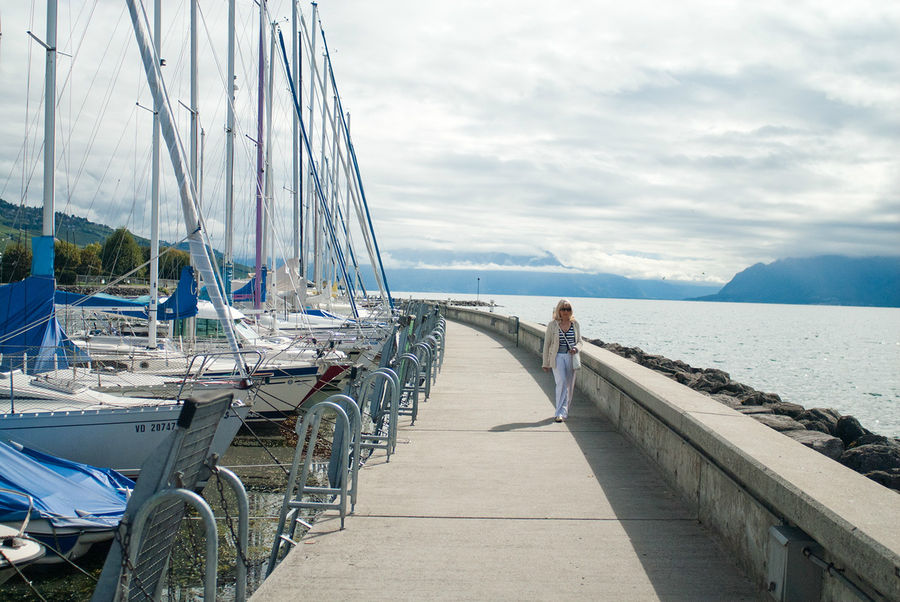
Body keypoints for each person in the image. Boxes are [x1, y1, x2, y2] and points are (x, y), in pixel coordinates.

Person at [542, 299, 582, 422]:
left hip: (571, 357)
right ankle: (558, 412)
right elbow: (547, 344)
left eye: (568, 309)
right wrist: (545, 363)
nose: (566, 311)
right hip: (557, 357)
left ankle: (564, 411)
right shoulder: (553, 325)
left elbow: (580, 341)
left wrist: (576, 348)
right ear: (558, 310)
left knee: (569, 385)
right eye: (563, 309)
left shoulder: (575, 324)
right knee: (562, 382)